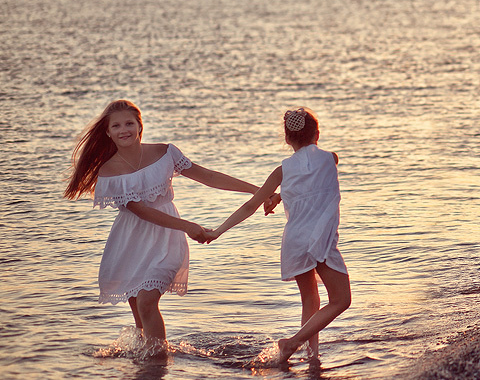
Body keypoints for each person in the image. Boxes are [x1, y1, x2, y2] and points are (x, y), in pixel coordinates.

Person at [64, 99, 265, 354]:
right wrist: (187, 225)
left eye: (129, 123)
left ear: (140, 126)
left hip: (167, 238)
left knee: (147, 302)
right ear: (107, 132)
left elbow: (209, 176)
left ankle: (158, 363)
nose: (123, 129)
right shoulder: (108, 171)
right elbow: (140, 211)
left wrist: (259, 191)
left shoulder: (165, 153)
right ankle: (144, 371)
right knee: (139, 312)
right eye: (116, 126)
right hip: (130, 241)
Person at [208, 108, 351, 363]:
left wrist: (218, 231)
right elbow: (313, 178)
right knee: (341, 300)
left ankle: (312, 356)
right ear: (317, 133)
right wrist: (281, 196)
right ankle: (293, 343)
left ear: (287, 139)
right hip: (319, 239)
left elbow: (250, 206)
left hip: (294, 240)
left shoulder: (282, 171)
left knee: (310, 299)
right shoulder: (331, 158)